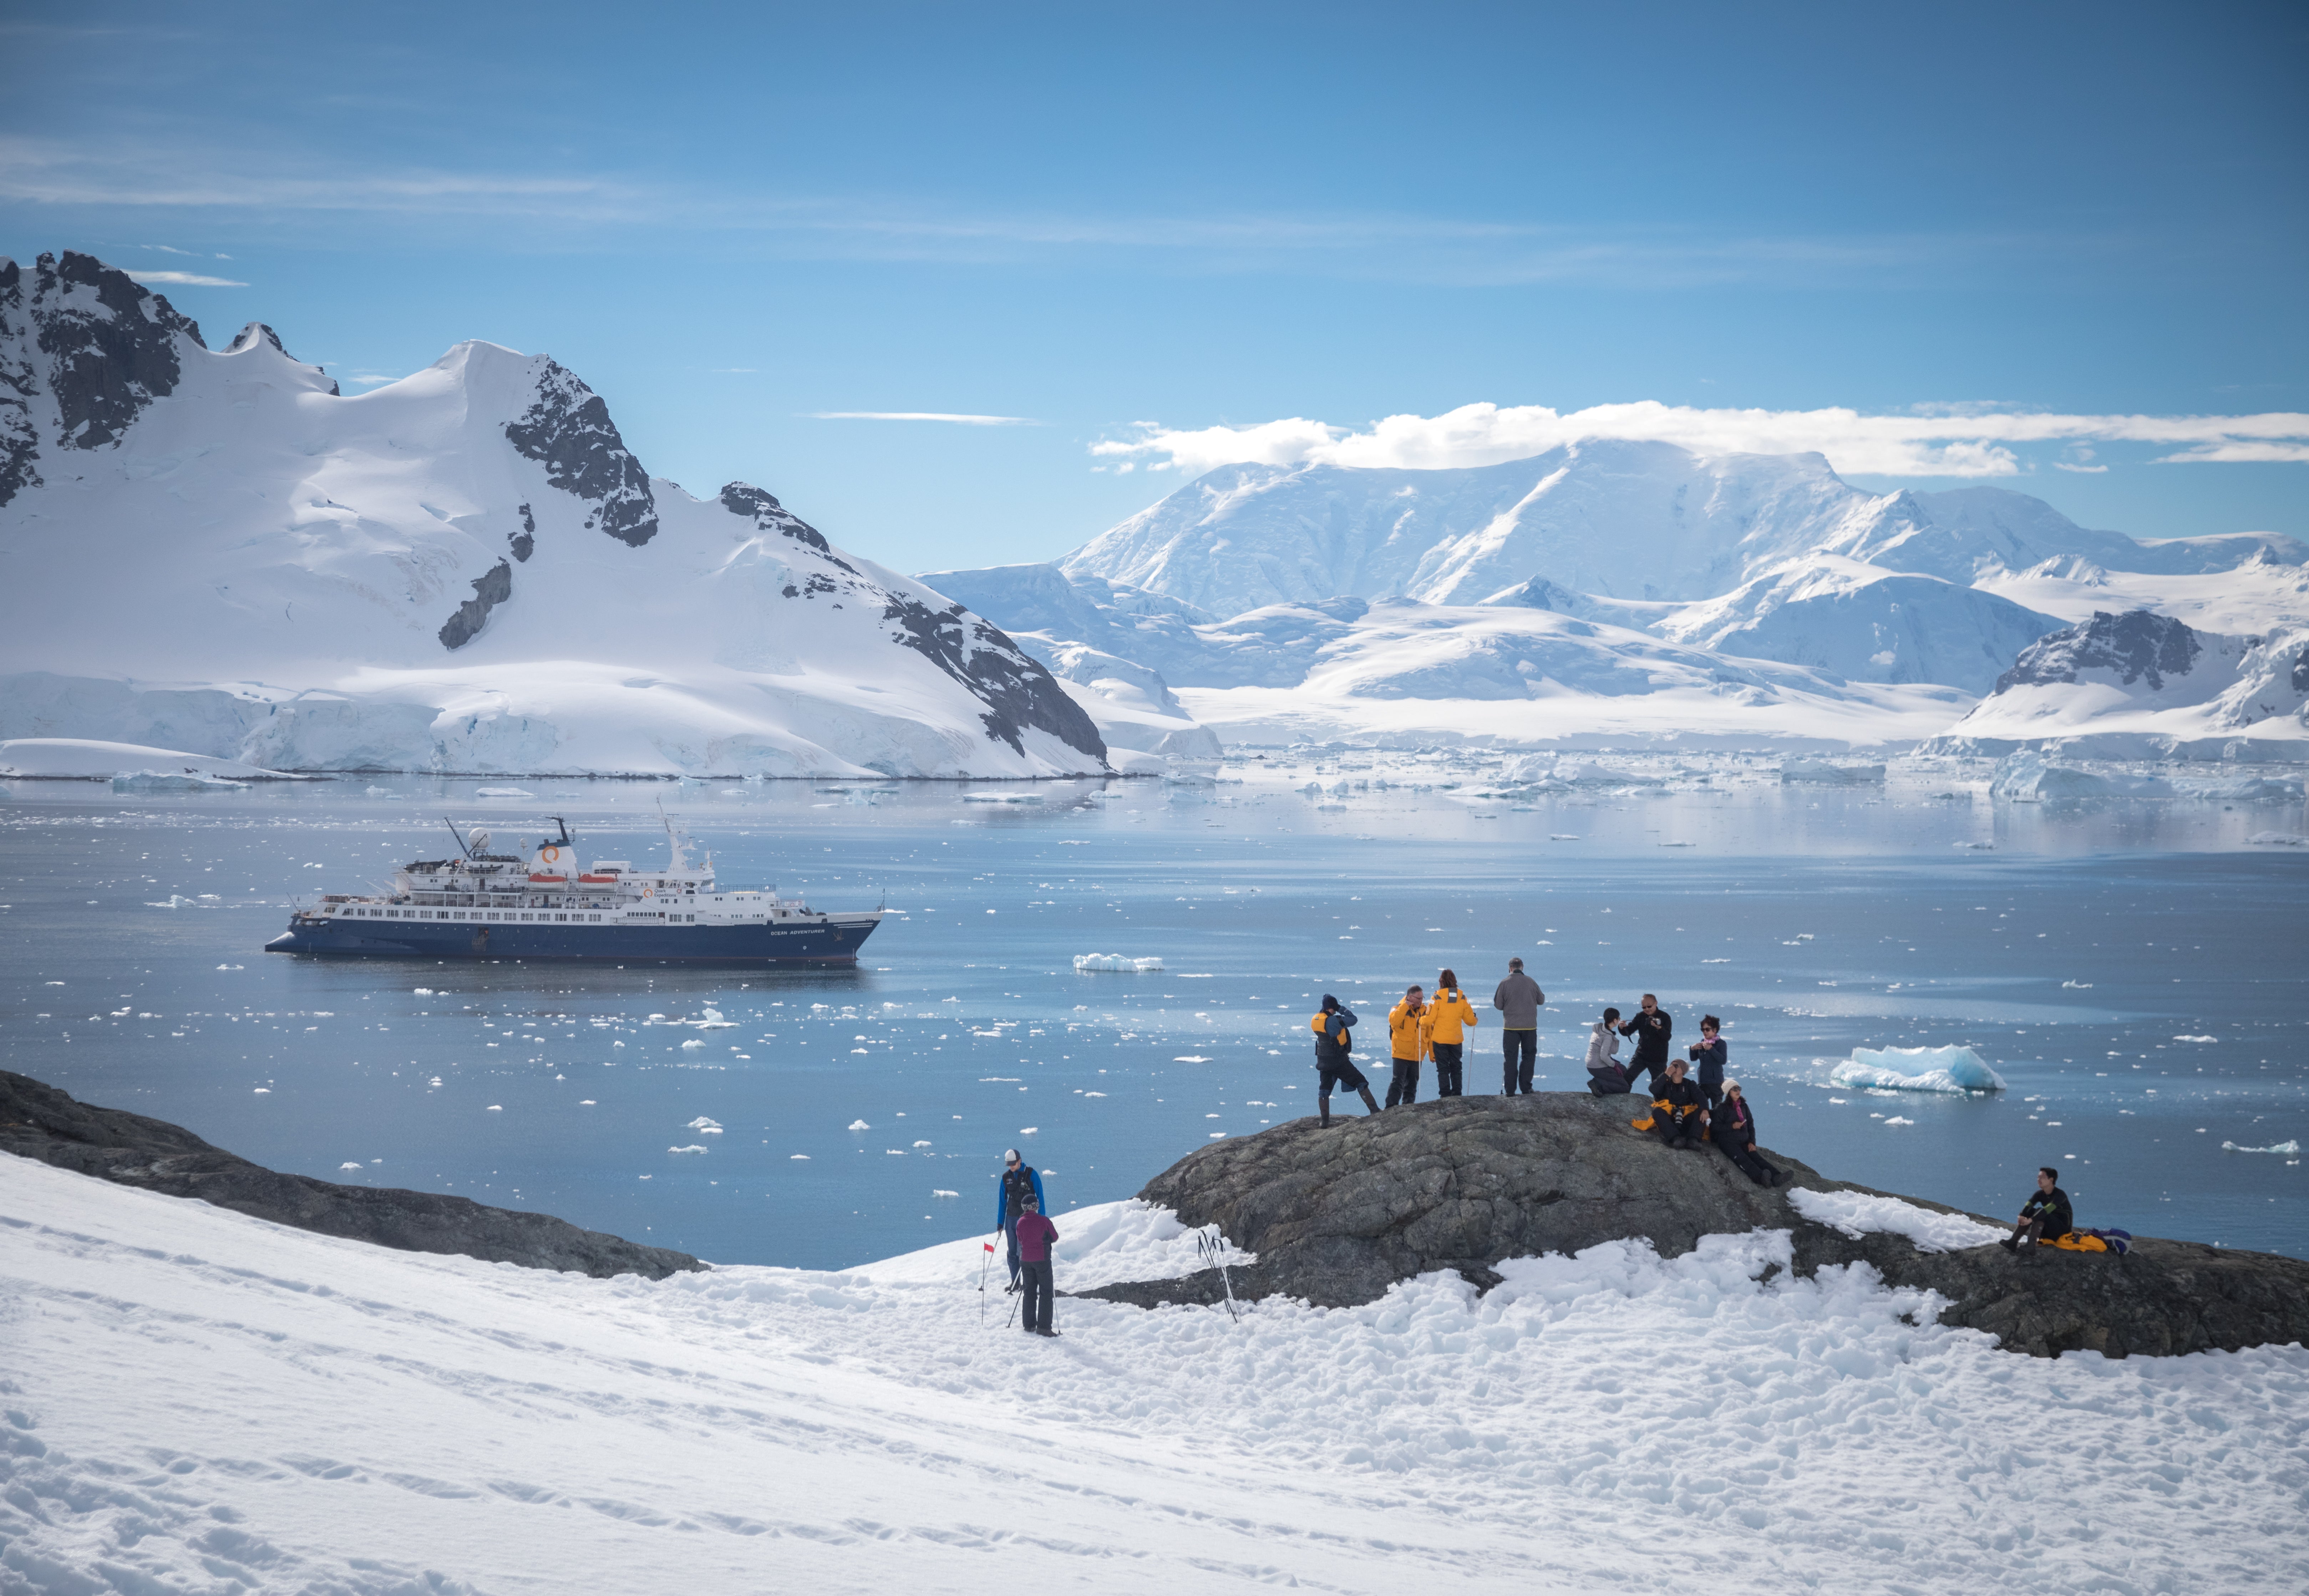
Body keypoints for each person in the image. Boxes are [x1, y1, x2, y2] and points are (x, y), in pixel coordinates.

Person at [1310, 993, 1380, 1126]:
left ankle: (1324, 1121)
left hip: (1323, 1061)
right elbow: (1353, 1020)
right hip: (1338, 1061)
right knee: (1361, 1082)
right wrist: (1341, 1008)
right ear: (1332, 1007)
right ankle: (1375, 1111)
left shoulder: (1316, 1020)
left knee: (1324, 1090)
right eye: (1334, 1007)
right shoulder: (1333, 1021)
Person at [1710, 1081, 1784, 1186]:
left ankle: (1776, 1177)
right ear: (1729, 1092)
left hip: (1744, 1140)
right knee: (1743, 1160)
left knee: (1757, 1158)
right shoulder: (1722, 1108)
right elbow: (1715, 1127)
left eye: (1739, 1088)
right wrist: (1732, 1126)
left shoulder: (1744, 1106)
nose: (1738, 1091)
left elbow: (1750, 1125)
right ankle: (1760, 1178)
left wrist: (1752, 1142)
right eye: (1735, 1089)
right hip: (1728, 1142)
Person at [993, 1147, 1045, 1292]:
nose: (1011, 1167)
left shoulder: (1032, 1174)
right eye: (1009, 1165)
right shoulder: (1006, 1178)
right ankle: (1015, 1283)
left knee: (1023, 1252)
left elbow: (1040, 1197)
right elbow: (1002, 1201)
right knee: (1012, 1253)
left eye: (1013, 1164)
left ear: (1020, 1161)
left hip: (1027, 1219)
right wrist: (1000, 1223)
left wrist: (1042, 1219)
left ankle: (1028, 1284)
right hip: (1011, 1219)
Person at [1492, 957, 1545, 1095]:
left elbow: (1498, 1005)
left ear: (1510, 968)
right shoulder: (1531, 982)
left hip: (1511, 1027)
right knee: (1529, 1056)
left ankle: (1510, 1090)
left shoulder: (1504, 983)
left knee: (1510, 1058)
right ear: (1522, 967)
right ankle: (1526, 1088)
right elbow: (1541, 1000)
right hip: (1530, 1026)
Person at [1014, 1194, 1060, 1336]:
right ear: (1036, 1206)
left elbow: (1020, 1239)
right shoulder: (1044, 1221)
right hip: (1042, 1259)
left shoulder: (1020, 1222)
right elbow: (1055, 1237)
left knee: (1029, 1291)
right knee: (1046, 1292)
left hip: (1026, 1261)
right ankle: (1044, 1327)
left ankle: (1029, 1325)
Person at [1427, 969, 1478, 1097]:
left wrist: (1420, 1020)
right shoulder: (1462, 998)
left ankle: (1445, 1095)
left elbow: (1429, 1020)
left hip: (1440, 1039)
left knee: (1443, 1069)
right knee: (1457, 1067)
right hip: (1456, 1039)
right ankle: (1457, 1093)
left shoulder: (1437, 998)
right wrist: (1475, 1019)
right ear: (1455, 981)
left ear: (1441, 981)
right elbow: (1470, 1021)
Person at [2001, 1168, 2074, 1253]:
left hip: (2062, 1232)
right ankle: (2013, 1242)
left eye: (2042, 1178)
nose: (2039, 1180)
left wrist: (2031, 1220)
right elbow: (2029, 1205)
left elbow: (2048, 1209)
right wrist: (2021, 1216)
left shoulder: (2060, 1195)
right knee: (2030, 1211)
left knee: (2040, 1212)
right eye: (2038, 1177)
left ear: (2051, 1180)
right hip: (2048, 1230)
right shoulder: (2039, 1194)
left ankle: (2031, 1246)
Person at [1385, 984, 1431, 1107]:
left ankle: (1408, 1108)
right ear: (1410, 998)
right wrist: (1405, 1006)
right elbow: (1394, 1021)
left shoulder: (1426, 1012)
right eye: (1418, 998)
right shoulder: (1397, 1009)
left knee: (1412, 1085)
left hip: (1418, 1055)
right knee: (1398, 1083)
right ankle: (1390, 1108)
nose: (1421, 1001)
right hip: (1401, 1054)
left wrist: (1432, 1055)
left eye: (1422, 998)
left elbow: (1430, 1033)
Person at [1619, 993, 1673, 1091]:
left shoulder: (1665, 1017)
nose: (1647, 1009)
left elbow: (1667, 1037)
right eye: (1644, 1007)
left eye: (1649, 1006)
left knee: (1660, 1086)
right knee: (1627, 1077)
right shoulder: (1640, 1016)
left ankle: (1662, 1101)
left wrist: (1659, 1028)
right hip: (1642, 1055)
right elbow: (1628, 1031)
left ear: (1656, 1003)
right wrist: (1622, 1028)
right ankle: (1622, 1098)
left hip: (1658, 1058)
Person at [1648, 1057, 1706, 1149]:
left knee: (1701, 1112)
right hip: (1670, 1120)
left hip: (1685, 1118)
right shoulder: (1665, 1083)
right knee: (1657, 1111)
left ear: (1683, 1071)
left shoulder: (1690, 1084)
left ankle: (1693, 1140)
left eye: (1676, 1066)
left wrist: (1705, 1110)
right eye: (1671, 1065)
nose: (1673, 1067)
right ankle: (1676, 1139)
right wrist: (1666, 1075)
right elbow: (1653, 1089)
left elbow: (1701, 1098)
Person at [1585, 1006, 1631, 1095]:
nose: (1619, 1020)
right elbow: (1603, 1056)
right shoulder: (1607, 1036)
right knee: (1625, 1088)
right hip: (1598, 1066)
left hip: (1591, 1064)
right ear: (1615, 1020)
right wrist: (1614, 1066)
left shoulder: (1600, 1029)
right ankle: (1598, 1084)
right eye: (1619, 1019)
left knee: (1623, 1070)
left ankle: (1602, 1081)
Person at [1686, 1015, 1727, 1113]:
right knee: (1698, 1106)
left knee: (1716, 1110)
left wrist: (1711, 1049)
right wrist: (1692, 1049)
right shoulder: (1703, 1042)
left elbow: (1723, 1060)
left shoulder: (1721, 1044)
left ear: (1715, 1030)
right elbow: (1694, 1059)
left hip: (1716, 1084)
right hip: (1703, 1082)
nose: (1705, 1032)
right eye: (1703, 1030)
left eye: (1708, 1029)